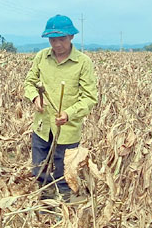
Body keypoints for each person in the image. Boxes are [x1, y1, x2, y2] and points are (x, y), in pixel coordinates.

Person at [22, 14, 98, 199]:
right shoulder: (41, 57)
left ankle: (63, 210)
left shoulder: (83, 62)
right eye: (53, 39)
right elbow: (29, 83)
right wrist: (35, 99)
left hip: (67, 129)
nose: (57, 44)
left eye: (61, 39)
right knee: (39, 170)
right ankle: (44, 207)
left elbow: (90, 97)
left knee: (64, 176)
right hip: (42, 126)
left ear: (71, 37)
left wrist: (69, 114)